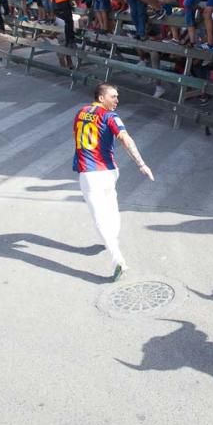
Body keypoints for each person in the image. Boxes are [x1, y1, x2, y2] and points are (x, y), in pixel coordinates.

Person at [73, 82, 154, 281]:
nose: (117, 100)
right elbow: (126, 139)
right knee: (111, 208)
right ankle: (111, 240)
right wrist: (141, 164)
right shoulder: (110, 116)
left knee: (99, 217)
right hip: (109, 171)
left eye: (117, 96)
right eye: (113, 97)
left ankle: (117, 259)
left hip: (89, 174)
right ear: (101, 98)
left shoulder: (81, 113)